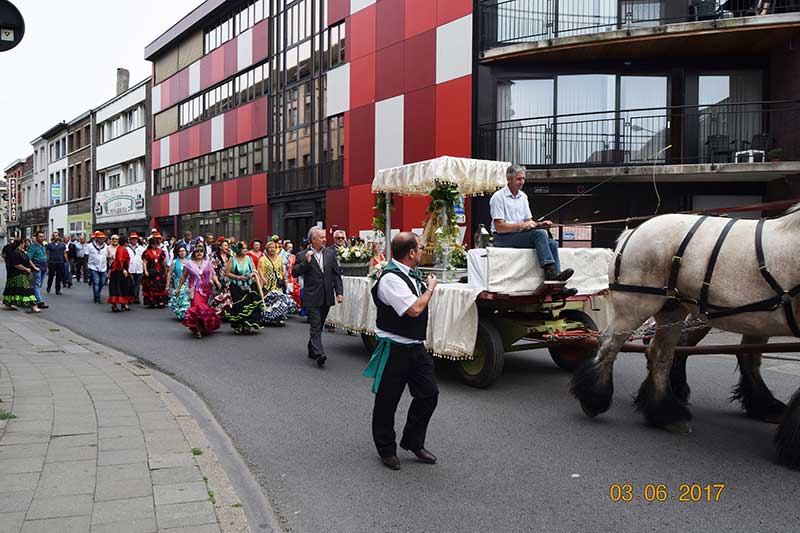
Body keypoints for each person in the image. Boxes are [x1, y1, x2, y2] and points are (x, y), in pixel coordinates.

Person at [365, 232, 439, 470]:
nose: (422, 250)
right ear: (410, 253)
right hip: (394, 349)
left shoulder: (411, 274)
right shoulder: (390, 278)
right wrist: (430, 289)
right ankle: (386, 448)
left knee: (429, 394)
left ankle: (413, 441)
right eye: (419, 247)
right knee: (387, 402)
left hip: (416, 348)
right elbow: (414, 309)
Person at [490, 164, 576, 294]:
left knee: (551, 242)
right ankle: (551, 272)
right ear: (509, 179)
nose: (522, 182)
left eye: (523, 179)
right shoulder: (498, 197)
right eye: (519, 179)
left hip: (518, 235)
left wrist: (540, 224)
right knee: (540, 235)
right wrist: (522, 226)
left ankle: (557, 286)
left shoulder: (523, 197)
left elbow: (528, 222)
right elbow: (499, 227)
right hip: (502, 238)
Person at [291, 227, 343, 367]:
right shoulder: (302, 255)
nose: (324, 239)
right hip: (312, 295)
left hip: (326, 295)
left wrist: (339, 292)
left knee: (319, 325)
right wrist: (306, 262)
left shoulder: (330, 253)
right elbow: (294, 273)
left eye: (324, 237)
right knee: (315, 324)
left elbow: (336, 275)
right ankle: (320, 353)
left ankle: (311, 348)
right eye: (321, 237)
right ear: (313, 240)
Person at [176, 245, 222, 338]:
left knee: (204, 310)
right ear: (194, 253)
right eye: (197, 251)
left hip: (205, 289)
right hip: (194, 289)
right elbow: (184, 276)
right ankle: (197, 329)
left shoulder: (207, 263)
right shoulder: (189, 264)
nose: (199, 253)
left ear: (204, 253)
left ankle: (203, 326)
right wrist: (179, 288)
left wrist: (217, 282)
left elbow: (213, 274)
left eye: (201, 251)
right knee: (197, 308)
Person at [225, 241, 264, 335]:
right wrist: (239, 277)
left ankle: (247, 324)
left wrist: (251, 275)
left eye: (246, 248)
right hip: (236, 286)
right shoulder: (232, 259)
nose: (246, 250)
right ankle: (238, 325)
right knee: (239, 305)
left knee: (248, 305)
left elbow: (254, 270)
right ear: (238, 250)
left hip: (249, 285)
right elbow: (227, 273)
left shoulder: (249, 258)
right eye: (243, 248)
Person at [258, 240, 296, 325]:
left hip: (277, 283)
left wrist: (285, 281)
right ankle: (268, 318)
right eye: (270, 247)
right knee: (269, 301)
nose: (272, 249)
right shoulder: (263, 259)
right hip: (267, 283)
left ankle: (278, 317)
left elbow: (281, 270)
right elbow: (259, 270)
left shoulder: (279, 258)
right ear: (267, 249)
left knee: (279, 301)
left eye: (274, 247)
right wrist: (262, 279)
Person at [3, 239, 42, 313]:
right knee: (27, 290)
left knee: (14, 290)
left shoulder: (22, 252)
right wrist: (26, 269)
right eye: (24, 243)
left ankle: (9, 304)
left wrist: (34, 267)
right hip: (18, 274)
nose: (25, 244)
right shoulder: (15, 253)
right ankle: (33, 306)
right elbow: (16, 264)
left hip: (21, 274)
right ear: (21, 244)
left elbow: (28, 260)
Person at [107, 235, 134, 312]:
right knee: (121, 287)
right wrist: (123, 269)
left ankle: (122, 304)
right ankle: (120, 304)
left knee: (120, 287)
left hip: (118, 270)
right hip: (119, 271)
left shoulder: (120, 249)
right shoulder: (122, 249)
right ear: (125, 242)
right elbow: (120, 260)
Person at [142, 235, 169, 308]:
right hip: (151, 270)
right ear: (151, 244)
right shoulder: (147, 252)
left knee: (160, 286)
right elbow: (145, 262)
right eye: (154, 244)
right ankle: (152, 301)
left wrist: (166, 270)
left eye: (157, 244)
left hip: (160, 271)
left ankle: (161, 301)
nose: (155, 245)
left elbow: (163, 262)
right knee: (151, 286)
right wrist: (145, 271)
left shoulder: (161, 251)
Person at [210, 239, 233, 317]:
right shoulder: (214, 256)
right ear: (220, 247)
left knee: (228, 298)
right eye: (225, 245)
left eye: (228, 245)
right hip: (218, 279)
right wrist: (216, 281)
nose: (227, 247)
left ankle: (226, 314)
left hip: (228, 280)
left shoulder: (230, 256)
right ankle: (217, 314)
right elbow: (213, 270)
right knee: (218, 297)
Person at [167, 245, 190, 320]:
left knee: (188, 299)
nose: (182, 253)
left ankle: (188, 314)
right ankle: (182, 314)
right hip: (179, 283)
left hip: (189, 282)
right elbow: (169, 273)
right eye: (180, 251)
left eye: (183, 251)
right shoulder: (174, 262)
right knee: (181, 299)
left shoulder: (190, 261)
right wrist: (167, 285)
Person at [86, 231, 109, 304]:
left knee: (102, 282)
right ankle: (97, 298)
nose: (102, 240)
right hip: (93, 266)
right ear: (97, 239)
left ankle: (97, 293)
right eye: (101, 238)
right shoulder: (90, 246)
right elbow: (86, 256)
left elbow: (107, 256)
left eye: (103, 238)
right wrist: (86, 265)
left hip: (103, 267)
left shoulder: (106, 246)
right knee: (96, 282)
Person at [27, 232, 47, 309]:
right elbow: (28, 258)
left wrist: (46, 266)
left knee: (39, 285)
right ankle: (39, 302)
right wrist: (34, 267)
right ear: (36, 237)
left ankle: (33, 299)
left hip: (43, 268)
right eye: (40, 236)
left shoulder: (43, 246)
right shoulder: (33, 246)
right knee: (37, 285)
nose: (42, 238)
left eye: (43, 236)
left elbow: (44, 256)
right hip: (37, 268)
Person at [127, 233, 146, 304]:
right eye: (132, 239)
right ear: (130, 240)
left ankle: (136, 298)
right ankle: (131, 297)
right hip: (130, 269)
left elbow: (144, 258)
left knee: (137, 284)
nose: (134, 240)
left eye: (135, 238)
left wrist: (144, 268)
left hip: (139, 268)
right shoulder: (127, 248)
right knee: (131, 284)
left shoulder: (141, 248)